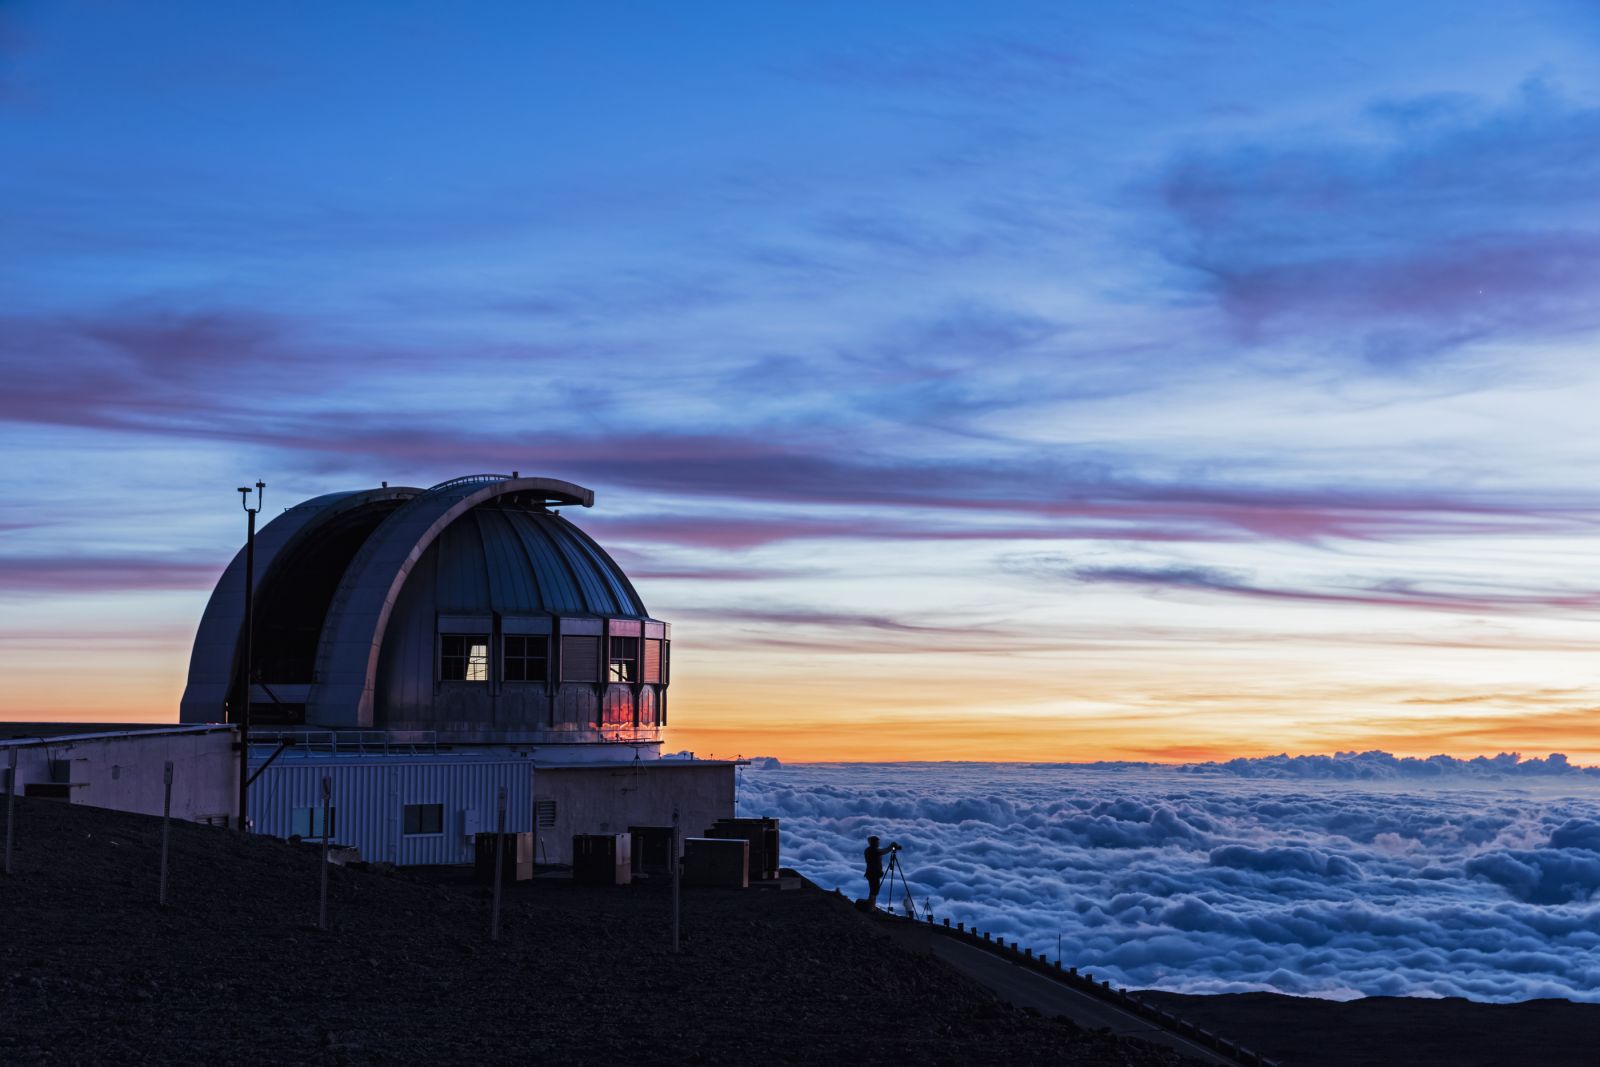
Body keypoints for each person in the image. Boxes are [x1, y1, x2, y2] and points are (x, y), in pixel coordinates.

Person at [863, 835, 899, 907]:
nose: (878, 843)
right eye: (877, 842)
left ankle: (871, 904)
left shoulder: (870, 849)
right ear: (874, 842)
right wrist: (891, 847)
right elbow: (883, 851)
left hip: (873, 873)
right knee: (874, 890)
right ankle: (871, 905)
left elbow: (881, 851)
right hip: (873, 873)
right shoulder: (872, 850)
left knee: (874, 889)